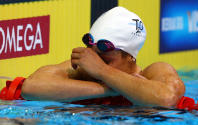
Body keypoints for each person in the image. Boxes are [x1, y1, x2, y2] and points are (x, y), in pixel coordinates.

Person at [21, 7, 185, 107]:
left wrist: (103, 71)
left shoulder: (153, 72)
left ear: (130, 56)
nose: (93, 58)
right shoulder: (83, 71)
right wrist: (108, 90)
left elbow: (166, 98)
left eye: (104, 53)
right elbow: (30, 88)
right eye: (90, 45)